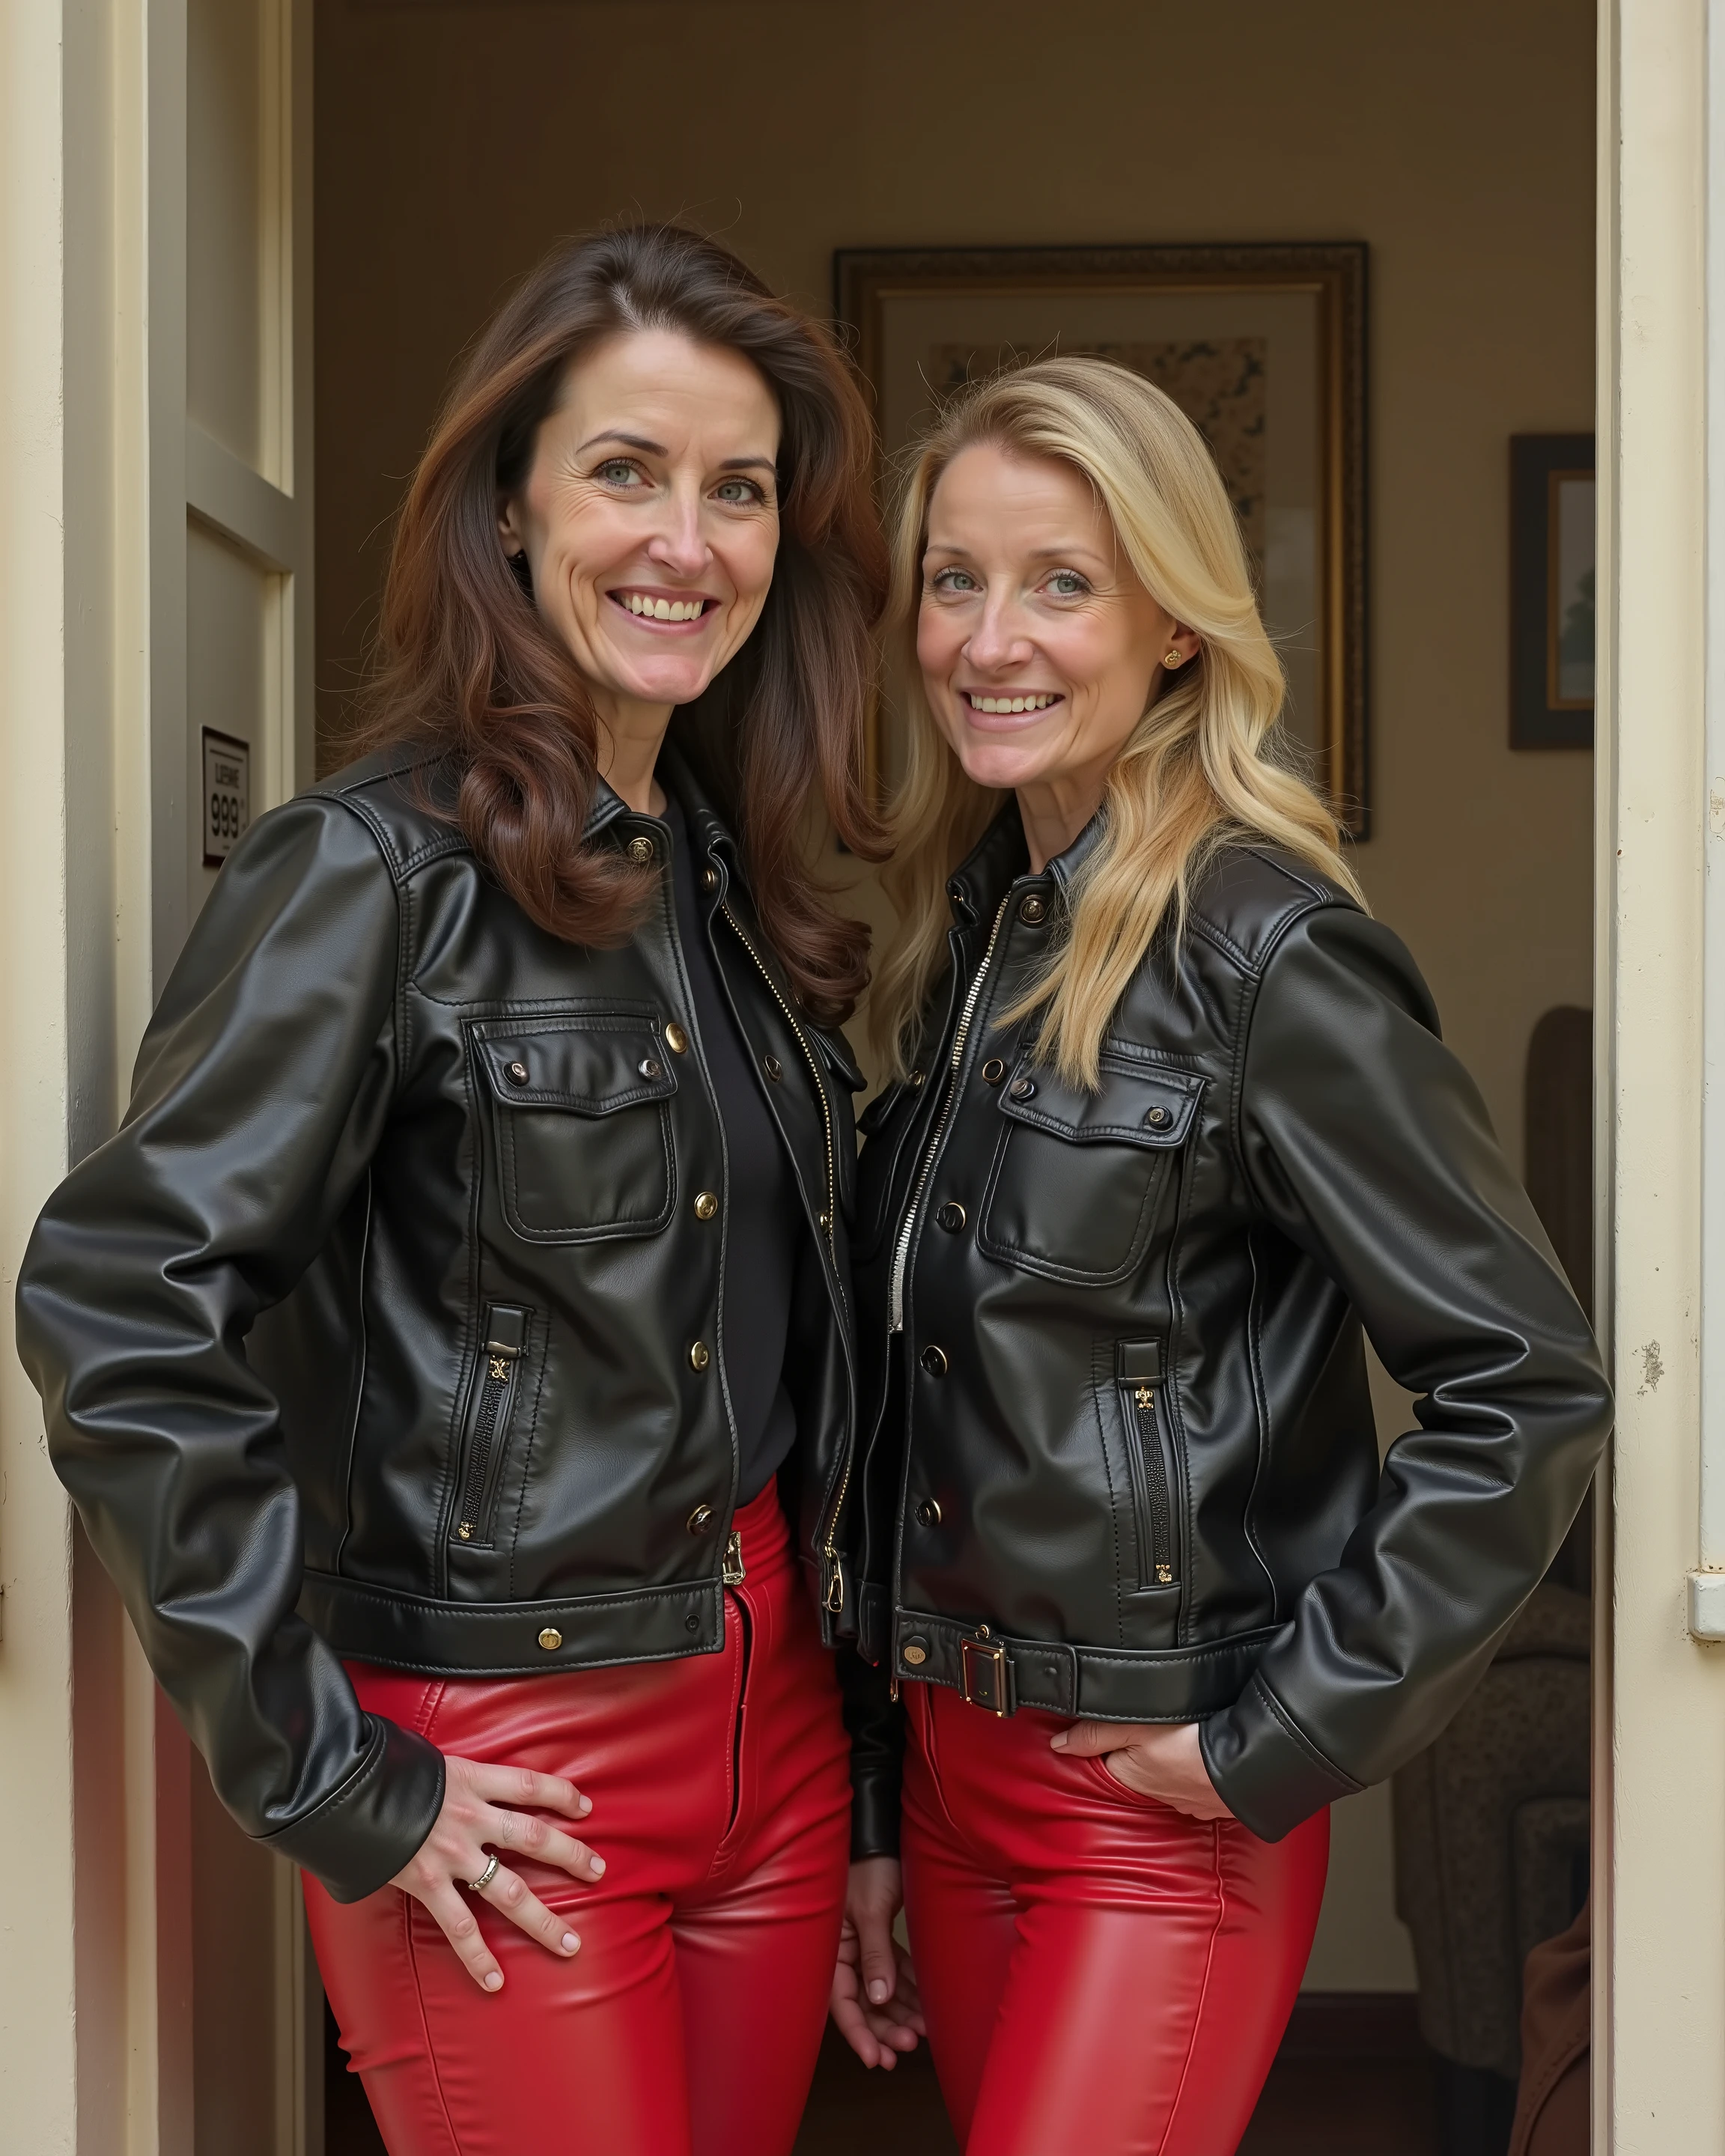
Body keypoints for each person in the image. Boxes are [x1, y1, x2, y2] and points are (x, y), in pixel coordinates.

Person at [17, 223, 891, 2156]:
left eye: (736, 488)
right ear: (509, 509)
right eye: (626, 472)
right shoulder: (370, 874)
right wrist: (330, 1771)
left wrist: (864, 1790)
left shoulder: (732, 894)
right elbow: (117, 1298)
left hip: (778, 1735)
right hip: (511, 1763)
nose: (689, 539)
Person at [834, 355, 1612, 2154]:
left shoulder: (1273, 952)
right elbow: (906, 1414)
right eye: (955, 579)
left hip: (1152, 1807)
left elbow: (1531, 1387)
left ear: (1176, 627)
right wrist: (882, 1798)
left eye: (1062, 583)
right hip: (953, 1786)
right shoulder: (972, 943)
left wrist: (1281, 1739)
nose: (988, 638)